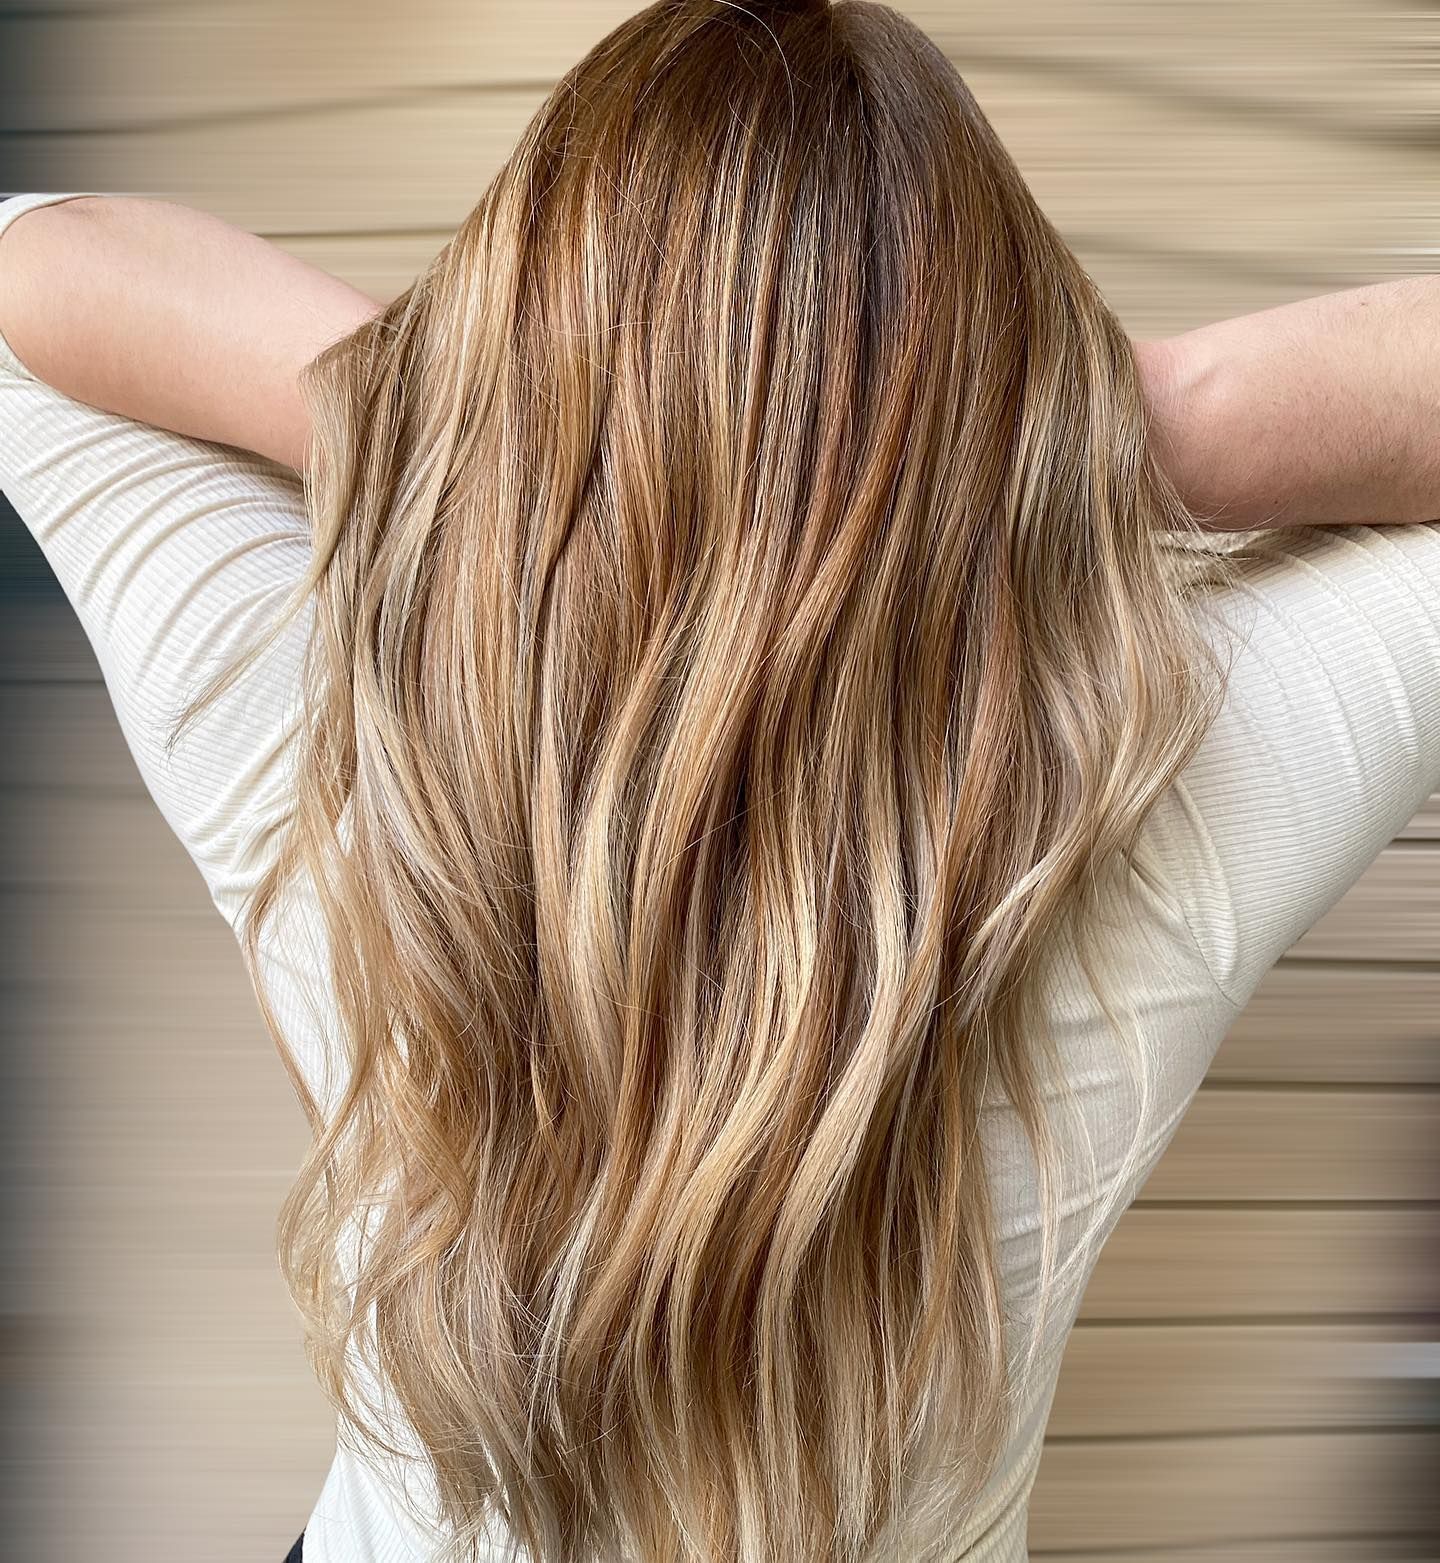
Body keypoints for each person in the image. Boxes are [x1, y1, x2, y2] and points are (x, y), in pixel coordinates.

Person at [0, 2, 1437, 1559]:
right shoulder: (1167, 791)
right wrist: (1050, 437)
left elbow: (26, 263)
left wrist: (482, 425)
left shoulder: (312, 715)